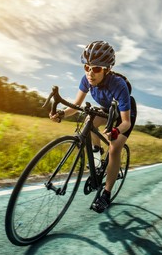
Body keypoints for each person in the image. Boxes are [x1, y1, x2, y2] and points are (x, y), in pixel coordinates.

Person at [49, 40, 137, 213]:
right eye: (87, 67)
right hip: (107, 108)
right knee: (88, 124)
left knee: (114, 148)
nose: (90, 73)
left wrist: (116, 130)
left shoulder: (118, 85)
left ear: (107, 69)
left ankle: (106, 194)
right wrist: (60, 114)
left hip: (124, 114)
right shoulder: (87, 80)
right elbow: (75, 106)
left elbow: (125, 122)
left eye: (96, 69)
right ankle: (97, 159)